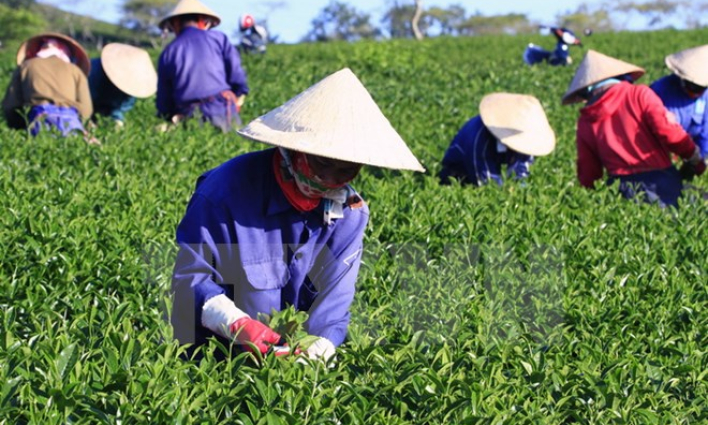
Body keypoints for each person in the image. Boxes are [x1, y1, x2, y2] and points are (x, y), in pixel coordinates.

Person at [170, 68, 425, 361]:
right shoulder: (224, 193)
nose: (329, 179)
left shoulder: (350, 215)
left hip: (288, 366)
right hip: (215, 358)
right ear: (292, 150)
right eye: (321, 163)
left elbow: (334, 302)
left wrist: (318, 350)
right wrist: (235, 323)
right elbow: (191, 278)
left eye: (345, 170)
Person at [562, 49, 706, 208]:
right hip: (660, 181)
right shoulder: (639, 94)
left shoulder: (586, 119)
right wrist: (694, 157)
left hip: (619, 188)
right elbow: (669, 133)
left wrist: (589, 201)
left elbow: (589, 172)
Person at [156, 0, 249, 132]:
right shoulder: (219, 39)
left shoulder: (168, 52)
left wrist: (167, 117)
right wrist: (238, 94)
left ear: (175, 23)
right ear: (202, 20)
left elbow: (164, 100)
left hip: (189, 117)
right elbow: (236, 76)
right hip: (223, 111)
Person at [439, 93, 556, 186]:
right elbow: (486, 181)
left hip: (493, 166)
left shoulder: (525, 139)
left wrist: (520, 191)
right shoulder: (479, 137)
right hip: (460, 174)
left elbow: (522, 168)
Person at [2, 32, 94, 140]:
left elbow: (11, 104)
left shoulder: (26, 66)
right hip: (71, 121)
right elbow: (86, 110)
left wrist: (18, 127)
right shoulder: (76, 71)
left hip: (39, 118)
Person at [650, 44, 708, 158]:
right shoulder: (660, 90)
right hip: (660, 154)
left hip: (691, 153)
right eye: (692, 86)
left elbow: (705, 136)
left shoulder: (706, 96)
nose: (696, 92)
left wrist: (700, 158)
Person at [89, 43, 157, 127]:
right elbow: (82, 101)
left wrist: (117, 121)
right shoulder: (93, 72)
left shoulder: (131, 90)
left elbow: (120, 108)